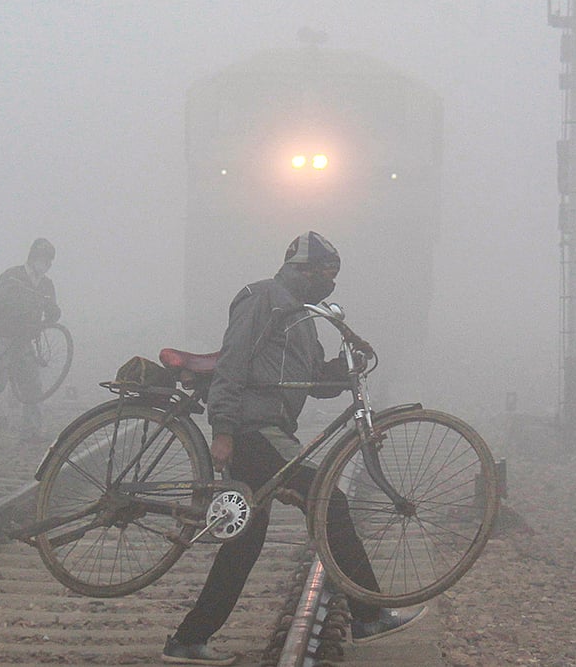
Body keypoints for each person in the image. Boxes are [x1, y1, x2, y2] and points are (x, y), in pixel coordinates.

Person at [162, 231, 427, 665]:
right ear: (302, 269)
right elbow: (232, 361)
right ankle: (370, 615)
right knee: (330, 501)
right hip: (253, 431)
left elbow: (312, 381)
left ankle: (188, 640)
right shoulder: (262, 299)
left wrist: (344, 371)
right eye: (326, 273)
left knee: (244, 541)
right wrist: (223, 429)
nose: (331, 284)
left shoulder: (303, 317)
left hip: (269, 433)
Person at [0, 237, 61, 444]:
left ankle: (31, 431)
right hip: (3, 337)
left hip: (24, 341)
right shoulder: (11, 276)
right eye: (42, 258)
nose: (45, 264)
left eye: (49, 260)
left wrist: (53, 312)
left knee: (32, 385)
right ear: (32, 257)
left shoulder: (46, 284)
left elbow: (52, 310)